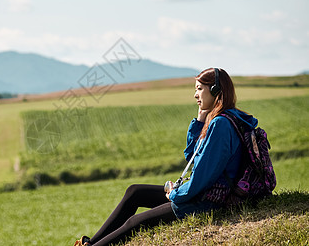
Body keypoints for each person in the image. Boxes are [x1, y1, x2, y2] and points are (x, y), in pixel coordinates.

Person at [74, 68, 259, 246]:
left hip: (208, 201)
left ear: (215, 90)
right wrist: (200, 121)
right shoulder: (222, 118)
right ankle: (88, 243)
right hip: (204, 194)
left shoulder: (221, 125)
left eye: (199, 89)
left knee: (136, 223)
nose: (195, 95)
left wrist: (175, 194)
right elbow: (193, 156)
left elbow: (202, 178)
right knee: (135, 192)